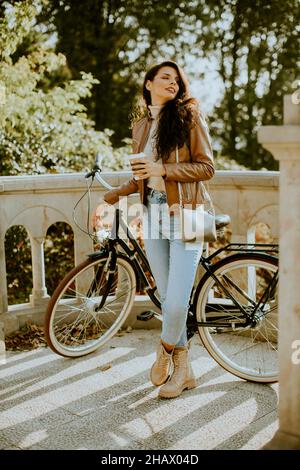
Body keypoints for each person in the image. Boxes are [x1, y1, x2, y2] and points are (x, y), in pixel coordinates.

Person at [101, 60, 214, 399]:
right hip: (152, 215)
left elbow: (206, 167)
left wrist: (163, 169)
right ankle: (184, 372)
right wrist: (119, 192)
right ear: (148, 83)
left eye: (177, 79)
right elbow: (142, 175)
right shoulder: (141, 126)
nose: (173, 83)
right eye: (165, 77)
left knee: (178, 303)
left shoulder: (190, 117)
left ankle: (164, 351)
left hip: (189, 215)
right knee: (167, 298)